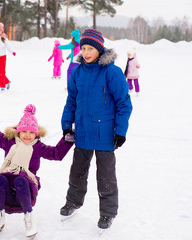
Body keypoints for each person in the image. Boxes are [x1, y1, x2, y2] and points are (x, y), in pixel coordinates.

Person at [60, 29, 133, 229]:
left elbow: (124, 103)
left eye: (90, 48)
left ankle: (108, 213)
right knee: (77, 172)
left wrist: (121, 130)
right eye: (83, 48)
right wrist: (67, 126)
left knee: (106, 176)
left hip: (105, 135)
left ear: (99, 49)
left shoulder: (112, 71)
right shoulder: (77, 71)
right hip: (82, 132)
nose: (85, 52)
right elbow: (71, 101)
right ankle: (73, 202)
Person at [0, 104, 74, 238]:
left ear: (36, 134)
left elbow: (56, 153)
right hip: (8, 182)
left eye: (32, 132)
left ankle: (29, 217)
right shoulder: (9, 142)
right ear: (18, 131)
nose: (27, 135)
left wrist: (67, 141)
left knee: (21, 180)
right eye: (24, 131)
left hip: (27, 185)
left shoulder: (38, 147)